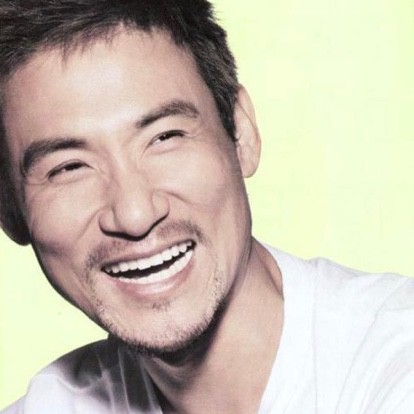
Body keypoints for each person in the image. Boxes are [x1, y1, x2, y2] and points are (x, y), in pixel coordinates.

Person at [1, 0, 414, 413]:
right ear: (9, 210)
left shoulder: (394, 359)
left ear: (242, 133)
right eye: (69, 168)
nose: (135, 214)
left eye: (165, 137)